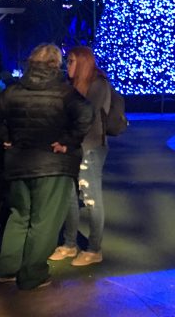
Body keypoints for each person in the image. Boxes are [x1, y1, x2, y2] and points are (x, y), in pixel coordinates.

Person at [0, 43, 92, 290]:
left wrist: (4, 137)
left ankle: (5, 267)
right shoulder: (65, 93)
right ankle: (32, 274)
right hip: (53, 165)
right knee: (44, 221)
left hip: (18, 163)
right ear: (56, 64)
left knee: (19, 216)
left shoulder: (12, 92)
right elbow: (86, 114)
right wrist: (67, 141)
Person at [51, 46, 113, 267]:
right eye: (67, 61)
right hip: (71, 147)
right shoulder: (73, 86)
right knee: (69, 196)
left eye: (71, 61)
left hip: (91, 147)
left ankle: (94, 249)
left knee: (92, 198)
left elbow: (87, 116)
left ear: (84, 63)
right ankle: (69, 244)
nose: (67, 65)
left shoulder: (98, 84)